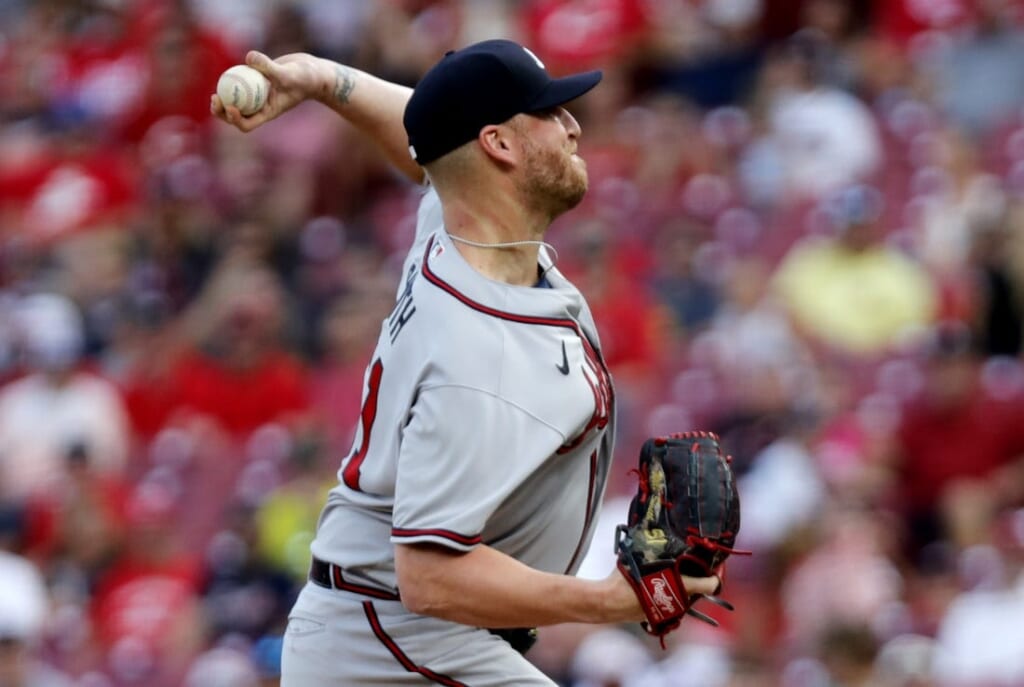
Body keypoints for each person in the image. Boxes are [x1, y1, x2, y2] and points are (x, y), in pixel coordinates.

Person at [212, 39, 723, 685]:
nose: (574, 127)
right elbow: (428, 575)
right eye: (551, 113)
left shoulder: (457, 227)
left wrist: (323, 80)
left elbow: (434, 144)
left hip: (396, 629)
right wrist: (610, 600)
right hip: (390, 643)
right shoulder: (474, 357)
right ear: (500, 146)